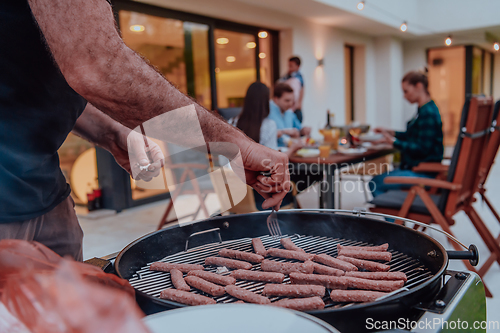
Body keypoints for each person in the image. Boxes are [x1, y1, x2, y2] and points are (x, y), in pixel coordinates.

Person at [0, 0, 289, 261]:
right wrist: (232, 142)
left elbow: (47, 86)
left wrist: (113, 133)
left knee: (67, 313)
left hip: (43, 185)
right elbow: (97, 66)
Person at [370, 69, 444, 197]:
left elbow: (422, 148)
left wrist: (393, 142)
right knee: (385, 177)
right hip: (418, 168)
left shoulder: (428, 113)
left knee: (376, 182)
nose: (404, 96)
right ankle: (398, 212)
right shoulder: (425, 109)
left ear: (419, 86)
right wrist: (391, 133)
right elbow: (415, 136)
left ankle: (397, 217)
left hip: (423, 172)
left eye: (406, 91)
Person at [232, 82, 305, 210]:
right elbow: (274, 164)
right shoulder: (268, 125)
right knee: (303, 179)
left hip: (234, 194)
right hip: (261, 194)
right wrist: (294, 148)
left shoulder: (232, 122)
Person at [269, 83, 311, 147]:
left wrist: (303, 130)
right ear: (276, 99)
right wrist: (285, 132)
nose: (290, 104)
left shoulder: (289, 111)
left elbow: (298, 128)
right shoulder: (267, 111)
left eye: (292, 101)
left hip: (290, 151)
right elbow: (265, 135)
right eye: (287, 101)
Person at [280, 56, 305, 123]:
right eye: (289, 66)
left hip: (295, 110)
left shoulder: (296, 79)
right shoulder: (288, 76)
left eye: (291, 66)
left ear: (298, 66)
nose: (289, 68)